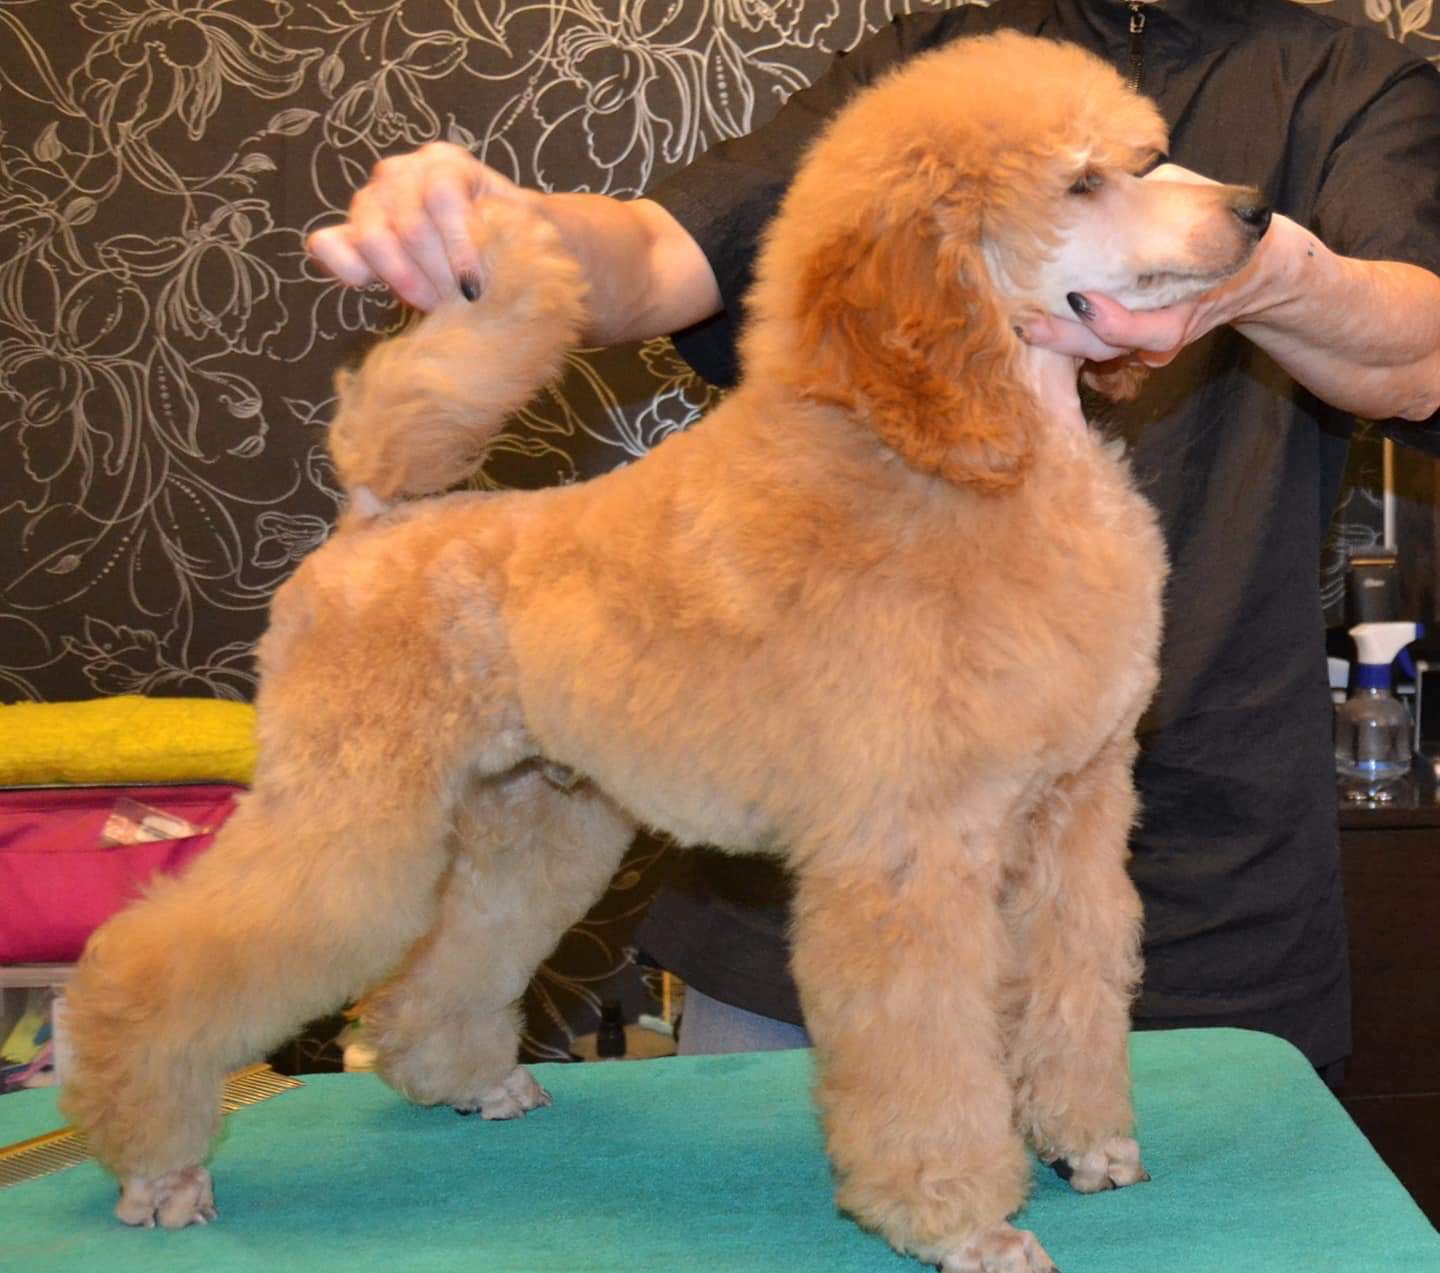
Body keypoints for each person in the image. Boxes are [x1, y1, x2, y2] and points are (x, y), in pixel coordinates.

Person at [307, 0, 1440, 1077]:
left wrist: (1276, 276)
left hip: (1208, 888)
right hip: (817, 905)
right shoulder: (935, 71)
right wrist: (506, 229)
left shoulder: (1351, 85)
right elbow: (656, 255)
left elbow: (1420, 353)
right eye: (1087, 186)